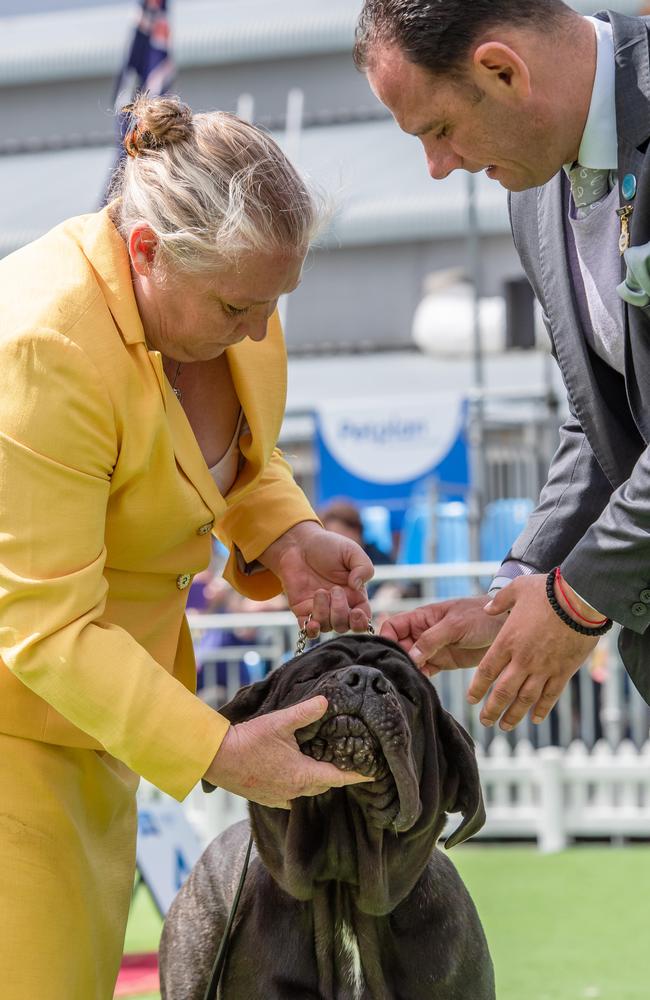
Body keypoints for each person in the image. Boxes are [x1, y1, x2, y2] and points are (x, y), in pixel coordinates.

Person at [0, 94, 375, 999]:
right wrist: (217, 750)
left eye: (273, 303)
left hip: (97, 723)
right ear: (144, 253)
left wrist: (287, 534)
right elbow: (43, 628)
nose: (259, 330)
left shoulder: (233, 289)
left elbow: (231, 460)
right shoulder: (43, 344)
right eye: (239, 306)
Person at [354, 1, 650, 732]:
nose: (437, 168)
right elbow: (603, 424)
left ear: (502, 71)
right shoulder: (532, 196)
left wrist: (576, 600)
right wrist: (517, 592)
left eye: (440, 129)